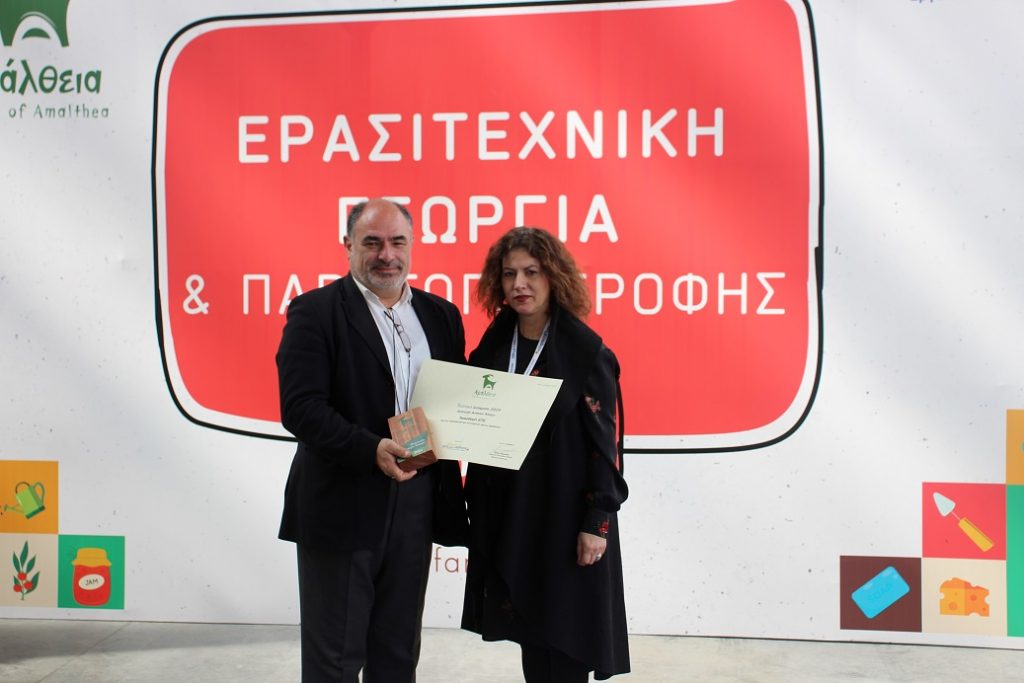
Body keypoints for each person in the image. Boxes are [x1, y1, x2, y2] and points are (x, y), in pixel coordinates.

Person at [276, 198, 467, 682]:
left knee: (398, 654)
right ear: (348, 246)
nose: (387, 255)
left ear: (412, 245)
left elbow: (456, 400)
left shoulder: (441, 315)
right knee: (335, 661)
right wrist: (370, 449)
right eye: (373, 242)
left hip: (417, 501)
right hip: (342, 502)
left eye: (397, 242)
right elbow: (301, 408)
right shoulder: (315, 311)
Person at [461, 227, 630, 681]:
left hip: (566, 520)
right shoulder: (494, 346)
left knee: (567, 639)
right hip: (512, 517)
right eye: (509, 273)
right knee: (532, 638)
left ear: (554, 277)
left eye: (532, 272)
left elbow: (606, 448)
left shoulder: (586, 352)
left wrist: (596, 522)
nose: (519, 284)